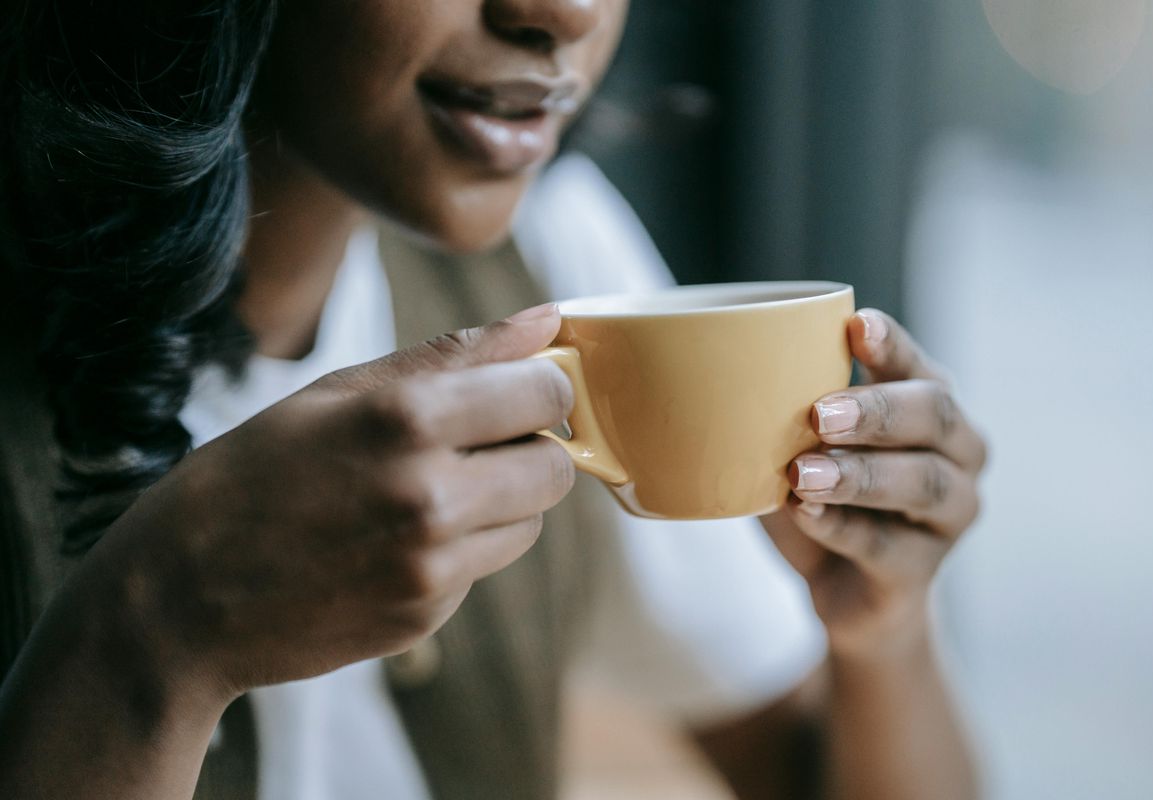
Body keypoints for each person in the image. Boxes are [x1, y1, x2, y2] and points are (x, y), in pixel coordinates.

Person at [0, 2, 988, 799]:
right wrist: (151, 634)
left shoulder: (557, 264)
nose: (563, 12)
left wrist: (882, 630)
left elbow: (813, 771)